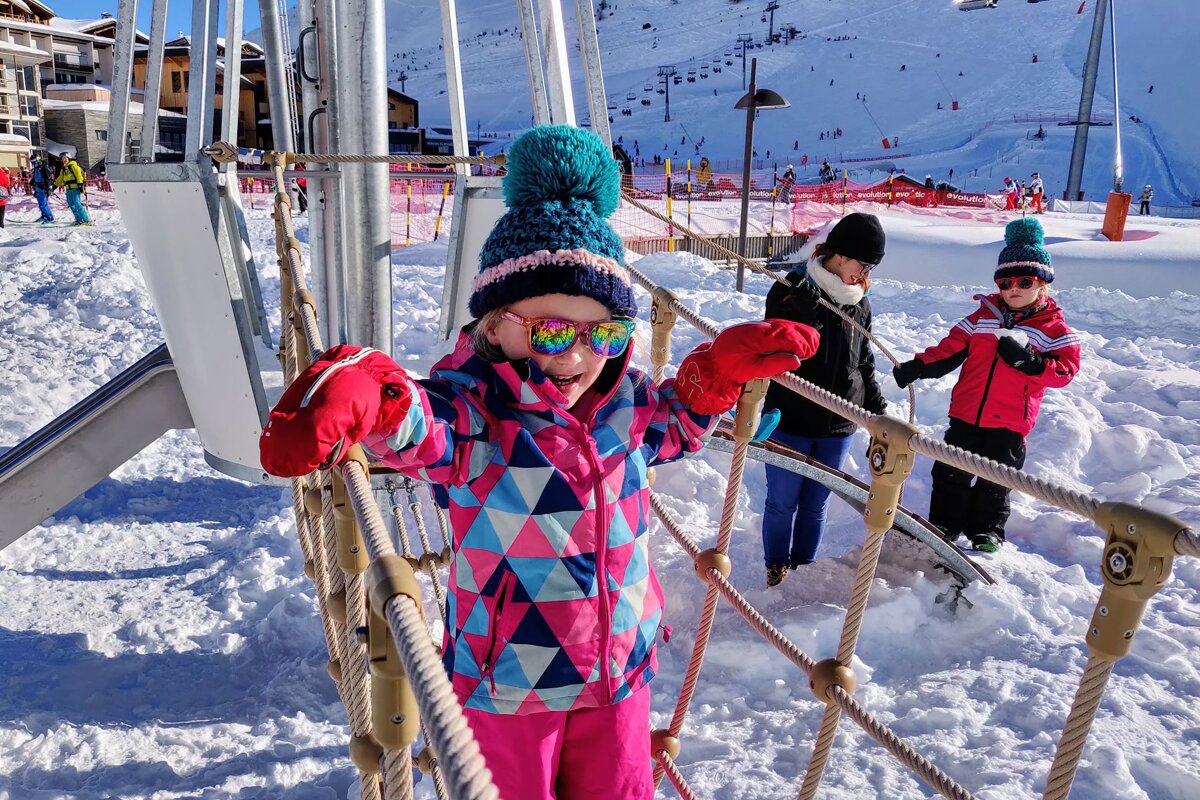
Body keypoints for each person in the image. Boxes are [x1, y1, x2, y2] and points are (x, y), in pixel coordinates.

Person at [258, 125, 819, 800]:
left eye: (604, 332)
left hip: (619, 672)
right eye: (551, 330)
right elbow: (422, 427)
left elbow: (675, 425)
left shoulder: (624, 400)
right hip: (508, 684)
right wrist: (369, 391)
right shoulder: (479, 416)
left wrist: (714, 375)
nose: (577, 356)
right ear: (495, 325)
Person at [891, 218, 1080, 552]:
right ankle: (944, 524)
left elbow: (1065, 370)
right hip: (966, 412)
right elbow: (950, 349)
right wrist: (918, 366)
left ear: (1042, 284)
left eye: (1024, 281)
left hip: (1010, 421)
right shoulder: (983, 317)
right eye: (1005, 282)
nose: (1013, 289)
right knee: (950, 471)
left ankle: (987, 531)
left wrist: (1033, 364)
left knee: (997, 478)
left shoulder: (1052, 328)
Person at [760, 213, 887, 586]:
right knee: (782, 500)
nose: (865, 274)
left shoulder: (859, 302)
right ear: (840, 254)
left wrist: (878, 412)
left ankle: (804, 569)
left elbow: (863, 361)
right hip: (791, 416)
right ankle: (776, 566)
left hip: (838, 423)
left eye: (872, 268)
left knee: (816, 504)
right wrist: (804, 316)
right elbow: (774, 350)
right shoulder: (790, 289)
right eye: (864, 264)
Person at [54, 153, 91, 226]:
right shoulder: (63, 169)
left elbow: (79, 176)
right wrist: (54, 186)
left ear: (69, 158)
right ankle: (79, 219)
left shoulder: (74, 166)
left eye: (65, 158)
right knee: (71, 204)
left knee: (77, 203)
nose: (64, 160)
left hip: (75, 188)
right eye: (63, 159)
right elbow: (60, 179)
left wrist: (80, 185)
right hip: (68, 189)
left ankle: (86, 220)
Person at [30, 155, 55, 223]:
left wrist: (48, 189)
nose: (33, 164)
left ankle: (49, 218)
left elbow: (47, 179)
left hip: (43, 188)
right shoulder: (36, 167)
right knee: (40, 204)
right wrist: (32, 182)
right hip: (38, 188)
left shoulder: (43, 167)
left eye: (34, 162)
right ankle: (44, 216)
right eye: (32, 162)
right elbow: (35, 177)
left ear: (38, 160)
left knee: (44, 204)